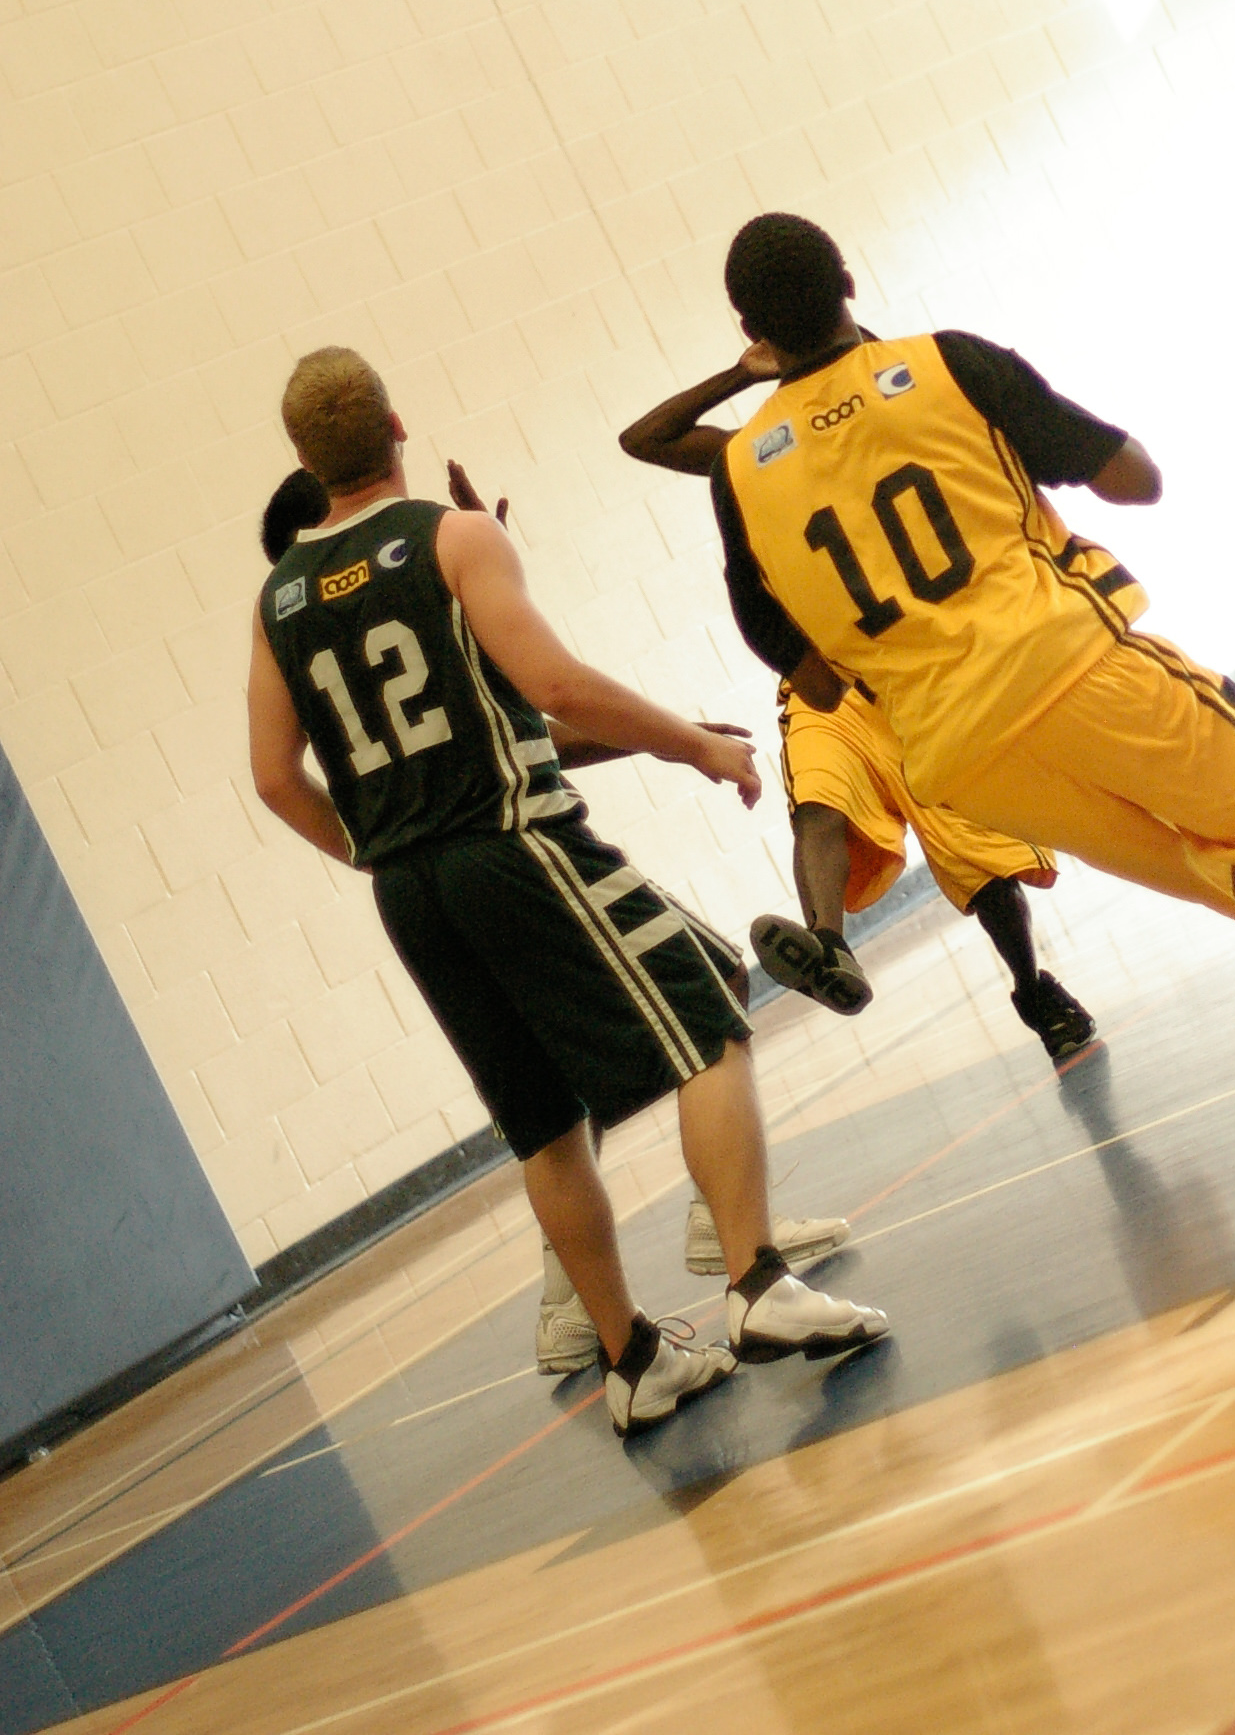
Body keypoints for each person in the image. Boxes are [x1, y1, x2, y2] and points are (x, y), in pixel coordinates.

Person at [704, 215, 1235, 1136]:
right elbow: (1137, 479)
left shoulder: (737, 470)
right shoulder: (945, 364)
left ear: (751, 332)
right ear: (849, 281)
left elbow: (806, 674)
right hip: (1076, 671)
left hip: (966, 764)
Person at [248, 348, 887, 1436]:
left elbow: (274, 776)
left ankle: (629, 1355)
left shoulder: (277, 600)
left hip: (410, 888)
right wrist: (692, 744)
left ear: (305, 461)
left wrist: (372, 849)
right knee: (709, 1017)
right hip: (512, 843)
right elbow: (552, 684)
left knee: (544, 1124)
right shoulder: (452, 537)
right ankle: (755, 1282)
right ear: (397, 426)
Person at [619, 353, 1101, 1066]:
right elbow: (644, 439)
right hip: (825, 678)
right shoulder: (760, 454)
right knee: (819, 800)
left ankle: (1032, 990)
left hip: (914, 672)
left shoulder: (897, 420)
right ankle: (828, 946)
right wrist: (743, 372)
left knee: (984, 867)